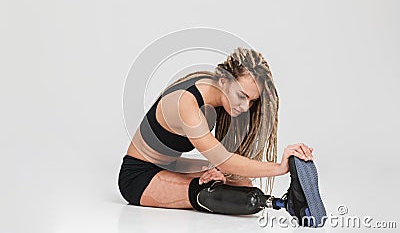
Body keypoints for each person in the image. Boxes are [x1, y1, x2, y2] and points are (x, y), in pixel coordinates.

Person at [118, 47, 318, 220]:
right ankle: (284, 205)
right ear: (223, 81)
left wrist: (216, 171)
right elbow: (223, 160)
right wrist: (281, 168)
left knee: (243, 183)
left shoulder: (212, 87)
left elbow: (223, 162)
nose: (245, 106)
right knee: (218, 194)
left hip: (170, 165)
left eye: (252, 101)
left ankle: (294, 198)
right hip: (138, 177)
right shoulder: (186, 103)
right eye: (242, 96)